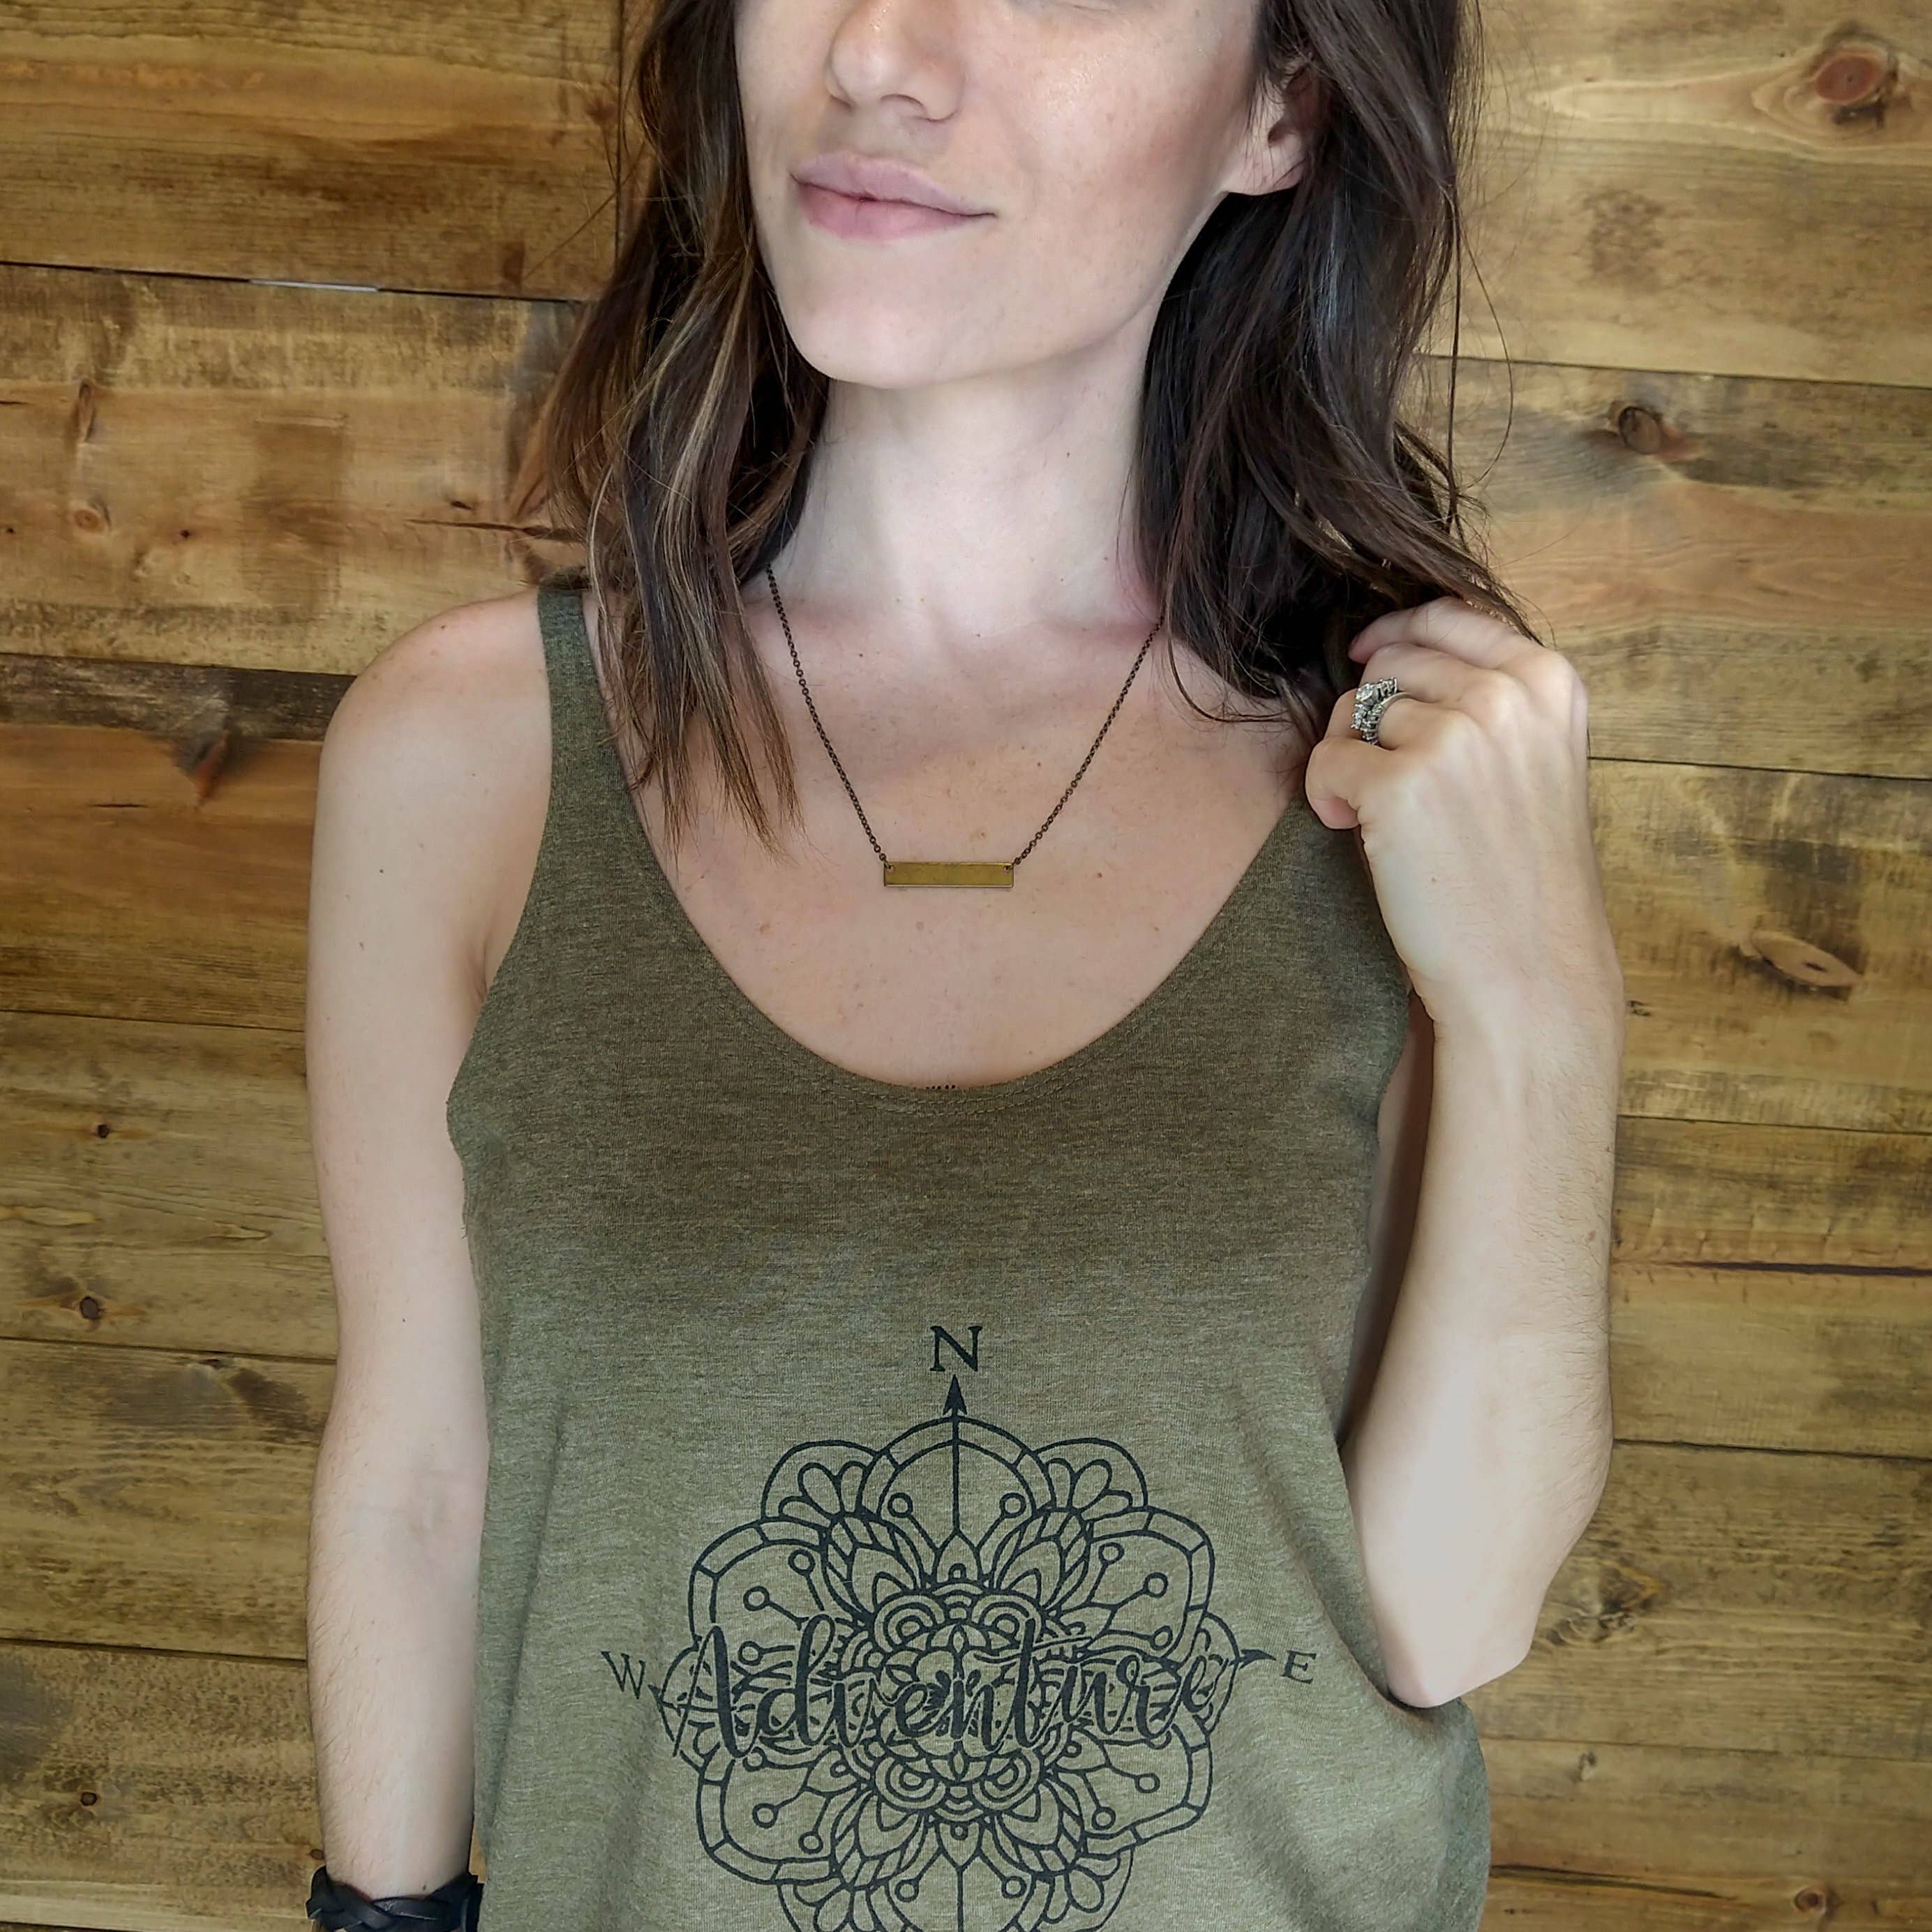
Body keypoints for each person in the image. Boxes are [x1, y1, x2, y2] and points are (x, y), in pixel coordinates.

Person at [301, 0, 1627, 1922]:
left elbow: (1446, 1604)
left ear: (1280, 106)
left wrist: (1544, 1009)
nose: (877, 53)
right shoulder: (466, 759)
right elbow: (418, 1484)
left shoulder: (1404, 783)